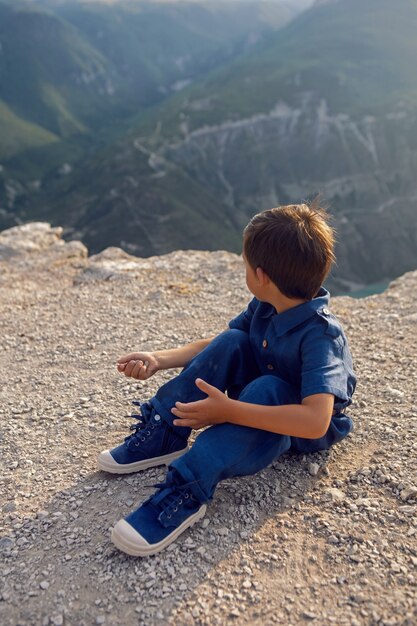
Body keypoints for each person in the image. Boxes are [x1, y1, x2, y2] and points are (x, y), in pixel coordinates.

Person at [98, 203, 356, 557]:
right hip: (259, 391)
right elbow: (222, 344)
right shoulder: (266, 304)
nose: (244, 271)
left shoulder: (321, 338)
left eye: (245, 265)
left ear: (261, 275)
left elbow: (315, 420)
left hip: (295, 422)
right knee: (233, 341)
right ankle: (166, 431)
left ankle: (188, 488)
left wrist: (229, 411)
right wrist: (160, 359)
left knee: (268, 389)